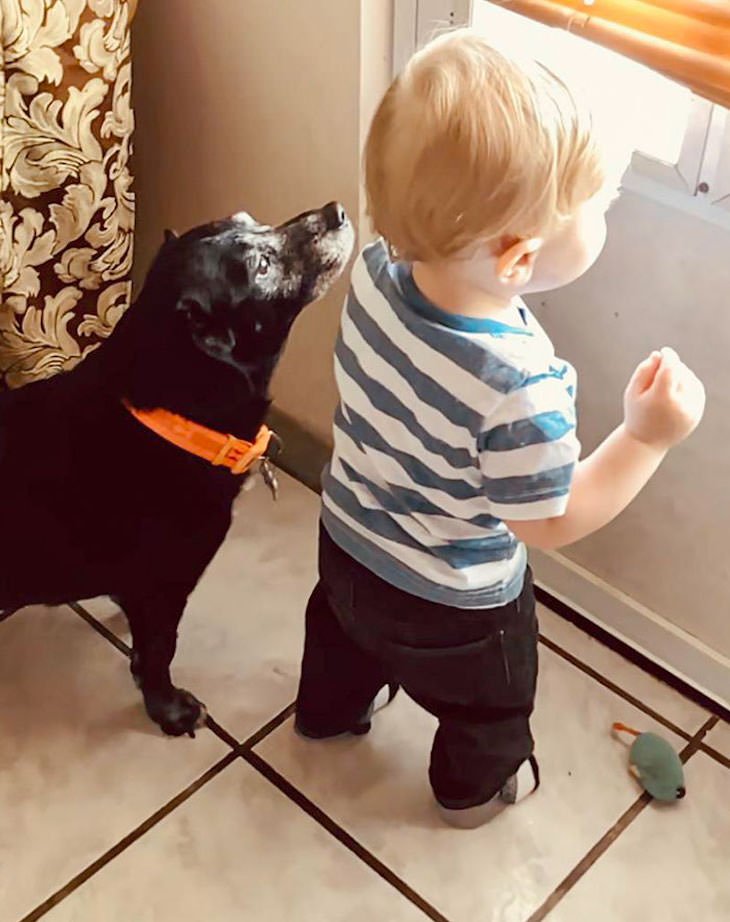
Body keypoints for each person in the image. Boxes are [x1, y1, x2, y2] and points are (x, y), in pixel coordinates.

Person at [294, 29, 706, 828]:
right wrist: (646, 437)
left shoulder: (377, 271)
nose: (604, 218)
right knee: (490, 705)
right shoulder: (523, 385)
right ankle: (471, 791)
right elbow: (548, 521)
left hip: (346, 547)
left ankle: (327, 711)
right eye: (598, 208)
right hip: (457, 605)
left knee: (341, 638)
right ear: (517, 262)